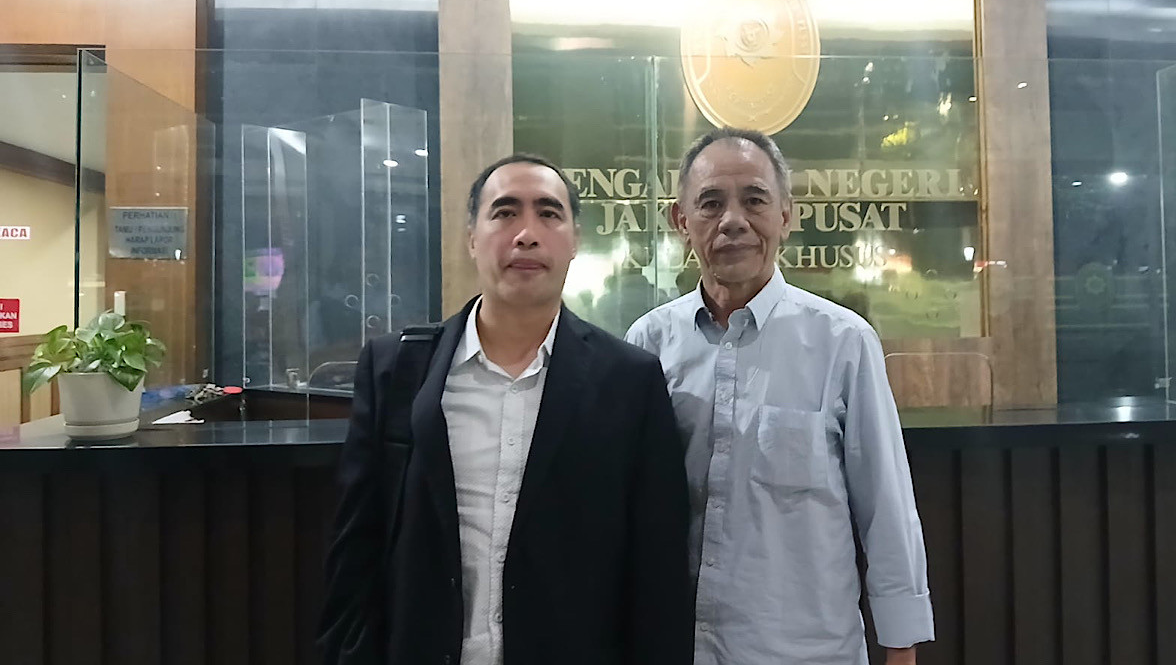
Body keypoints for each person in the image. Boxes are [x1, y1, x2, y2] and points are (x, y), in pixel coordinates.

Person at [319, 153, 693, 665]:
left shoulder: (630, 382)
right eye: (505, 212)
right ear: (472, 238)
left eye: (549, 213)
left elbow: (656, 570)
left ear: (575, 240)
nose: (527, 234)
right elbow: (355, 554)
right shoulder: (397, 371)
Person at [626, 129, 933, 665]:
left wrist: (901, 647)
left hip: (807, 651)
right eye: (711, 203)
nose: (733, 221)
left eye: (755, 200)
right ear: (681, 221)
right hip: (678, 647)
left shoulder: (843, 342)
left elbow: (886, 508)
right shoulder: (648, 345)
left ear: (786, 216)